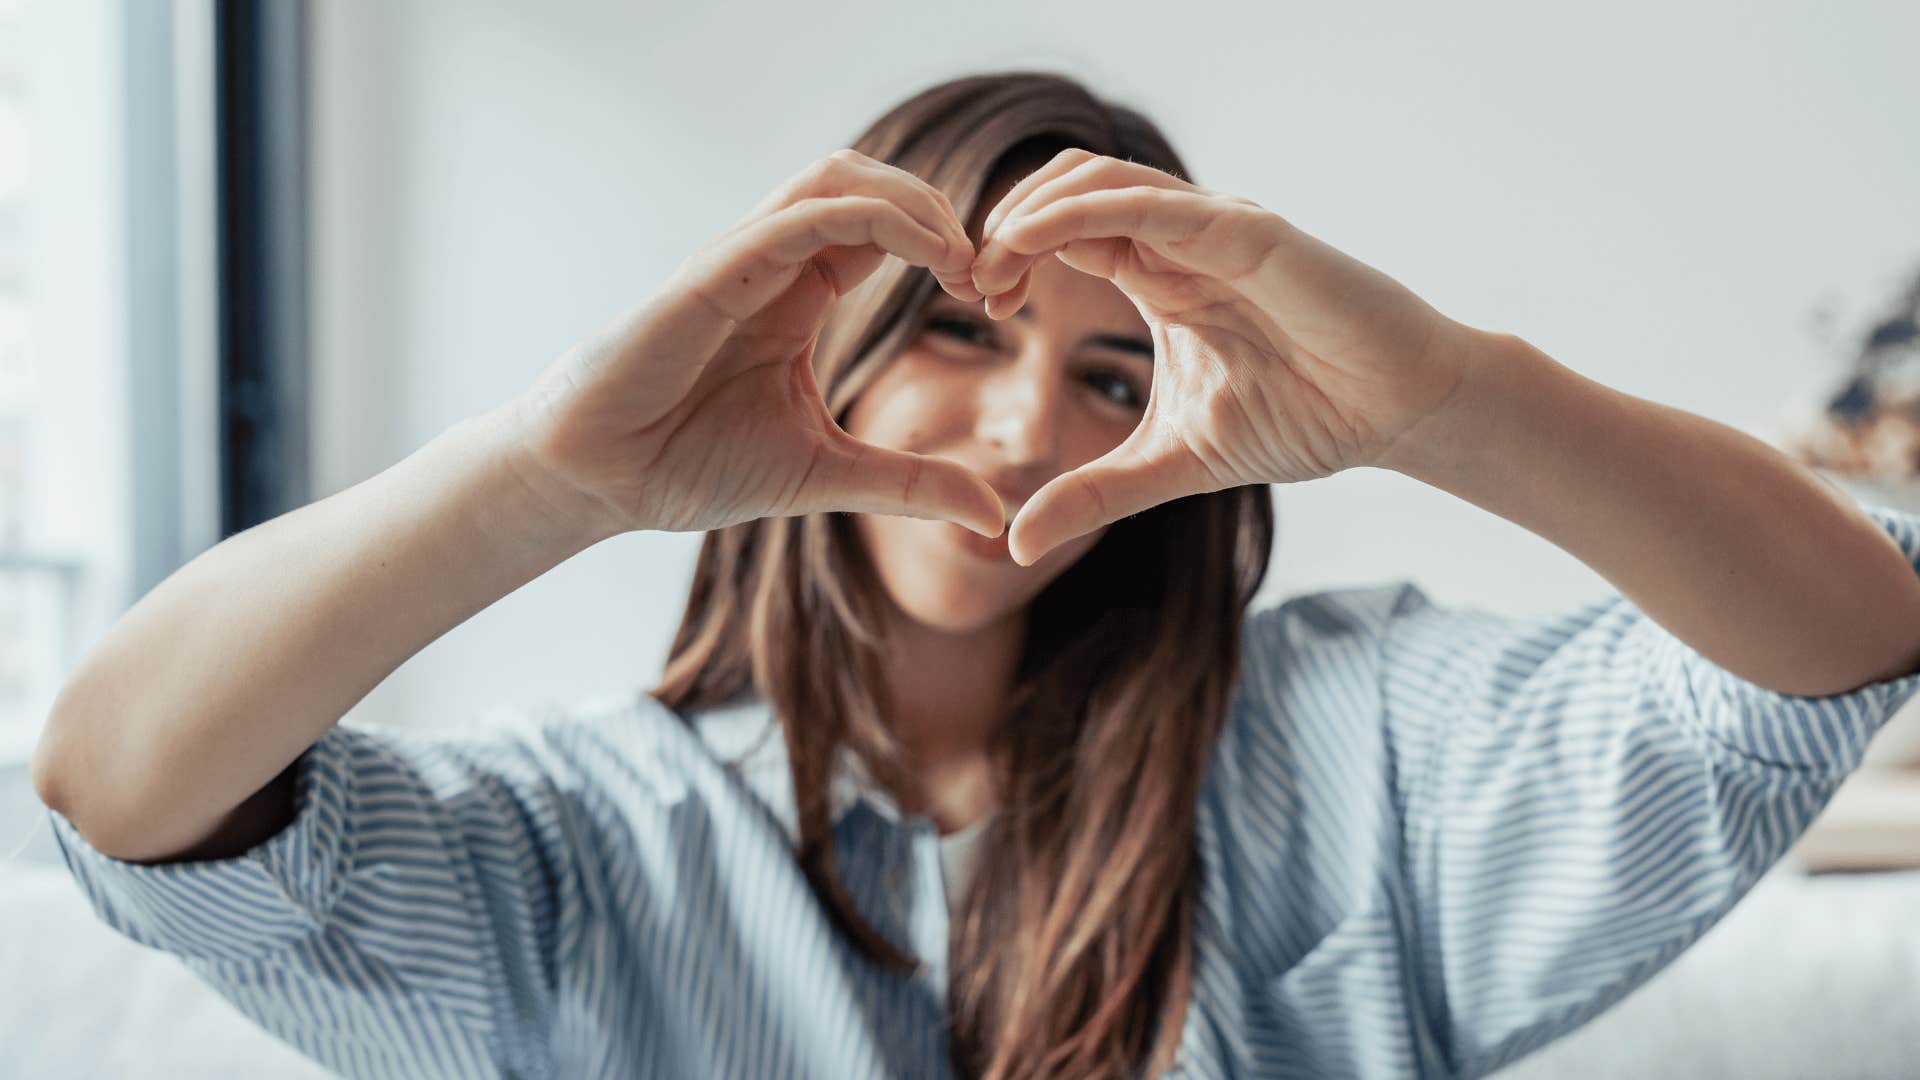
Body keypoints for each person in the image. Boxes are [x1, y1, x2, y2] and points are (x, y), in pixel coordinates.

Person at [29, 70, 1920, 1080]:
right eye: (957, 330)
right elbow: (123, 792)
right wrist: (545, 478)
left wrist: (1444, 401)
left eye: (1113, 374)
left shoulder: (1352, 738)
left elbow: (1838, 638)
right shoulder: (585, 848)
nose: (1031, 425)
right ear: (824, 347)